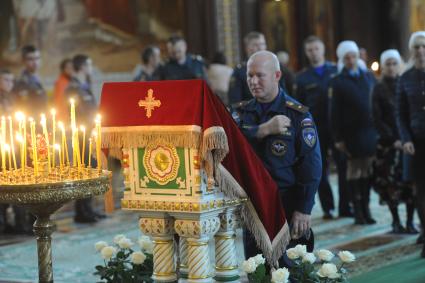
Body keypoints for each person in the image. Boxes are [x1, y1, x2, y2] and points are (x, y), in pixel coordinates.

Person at [238, 50, 322, 262]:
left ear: (276, 76)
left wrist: (304, 208)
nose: (253, 81)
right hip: (253, 206)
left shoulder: (297, 114)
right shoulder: (241, 114)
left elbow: (311, 165)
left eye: (260, 75)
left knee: (288, 270)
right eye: (250, 75)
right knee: (256, 269)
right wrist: (262, 130)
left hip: (287, 204)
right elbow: (230, 143)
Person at [330, 40, 377, 225]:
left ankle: (366, 208)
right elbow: (333, 113)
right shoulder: (338, 81)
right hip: (350, 135)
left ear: (358, 57)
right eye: (347, 57)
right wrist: (338, 138)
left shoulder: (369, 77)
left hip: (370, 133)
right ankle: (357, 210)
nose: (351, 60)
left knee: (368, 172)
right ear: (342, 59)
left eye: (354, 56)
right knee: (354, 172)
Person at [372, 49, 417, 234]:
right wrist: (393, 139)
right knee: (390, 184)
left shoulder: (406, 83)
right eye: (388, 64)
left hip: (408, 143)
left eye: (394, 63)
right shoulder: (378, 87)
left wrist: (405, 138)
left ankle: (410, 221)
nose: (391, 67)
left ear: (400, 65)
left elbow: (410, 113)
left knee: (410, 184)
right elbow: (377, 118)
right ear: (383, 67)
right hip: (388, 145)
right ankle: (396, 221)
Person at [294, 36, 338, 219]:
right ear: (306, 52)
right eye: (310, 50)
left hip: (337, 127)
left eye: (316, 49)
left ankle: (348, 206)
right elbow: (299, 106)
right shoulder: (302, 78)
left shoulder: (335, 70)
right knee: (320, 168)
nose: (314, 53)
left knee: (344, 167)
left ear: (323, 49)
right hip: (315, 130)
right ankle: (328, 207)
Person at [396, 31, 425, 258]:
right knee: (421, 193)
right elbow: (401, 113)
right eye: (416, 47)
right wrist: (405, 139)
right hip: (416, 144)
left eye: (424, 46)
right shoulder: (405, 78)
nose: (420, 51)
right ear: (411, 50)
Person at [66, 54, 103, 223]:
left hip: (91, 133)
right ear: (82, 67)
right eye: (89, 65)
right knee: (84, 172)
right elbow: (76, 113)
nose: (91, 68)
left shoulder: (84, 85)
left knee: (91, 171)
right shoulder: (73, 88)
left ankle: (89, 208)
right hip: (82, 136)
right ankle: (81, 212)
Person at [228, 32, 289, 105]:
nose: (260, 48)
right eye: (256, 45)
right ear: (248, 48)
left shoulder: (274, 66)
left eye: (262, 44)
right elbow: (235, 100)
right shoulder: (240, 71)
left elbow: (283, 92)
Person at [0, 69, 15, 233]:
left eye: (12, 80)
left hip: (10, 146)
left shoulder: (10, 98)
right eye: (6, 80)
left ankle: (7, 221)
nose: (10, 84)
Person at [13, 45, 47, 115]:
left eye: (37, 58)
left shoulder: (38, 78)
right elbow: (23, 107)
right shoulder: (21, 82)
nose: (35, 62)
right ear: (23, 61)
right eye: (31, 59)